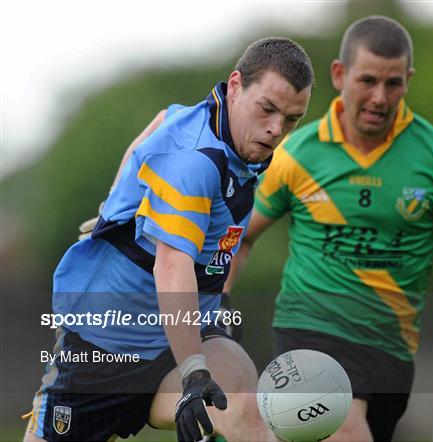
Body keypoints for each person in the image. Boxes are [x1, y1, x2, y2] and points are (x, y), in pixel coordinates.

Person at [24, 37, 313, 442]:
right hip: (103, 347)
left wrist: (113, 206)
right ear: (235, 86)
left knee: (245, 408)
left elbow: (161, 122)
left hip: (177, 335)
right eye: (267, 109)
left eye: (291, 119)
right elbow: (172, 265)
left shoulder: (223, 133)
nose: (275, 129)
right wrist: (195, 371)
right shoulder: (195, 164)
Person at [224, 16, 433, 442]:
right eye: (367, 80)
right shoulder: (297, 153)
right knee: (344, 431)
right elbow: (240, 236)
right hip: (308, 331)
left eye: (393, 84)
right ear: (339, 75)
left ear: (408, 80)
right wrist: (216, 302)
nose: (378, 97)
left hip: (390, 351)